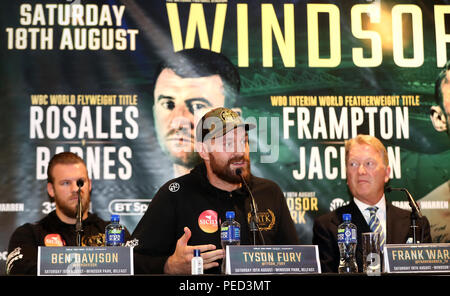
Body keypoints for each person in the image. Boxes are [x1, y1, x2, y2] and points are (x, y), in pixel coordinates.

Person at [132, 107, 299, 274]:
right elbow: (132, 260)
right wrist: (169, 266)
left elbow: (297, 261)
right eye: (228, 143)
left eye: (243, 141)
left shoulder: (269, 192)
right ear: (203, 150)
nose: (240, 151)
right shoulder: (175, 194)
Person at [312, 134, 432, 273]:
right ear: (346, 175)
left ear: (387, 173)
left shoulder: (415, 224)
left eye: (369, 163)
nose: (361, 171)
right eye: (353, 164)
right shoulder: (327, 226)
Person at [6, 152, 130, 275]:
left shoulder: (115, 233)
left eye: (80, 182)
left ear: (89, 184)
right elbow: (20, 270)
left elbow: (139, 267)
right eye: (66, 183)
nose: (75, 189)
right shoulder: (29, 235)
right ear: (51, 189)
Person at [152, 48, 241, 177]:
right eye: (168, 104)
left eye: (198, 106)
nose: (178, 122)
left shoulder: (262, 195)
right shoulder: (141, 193)